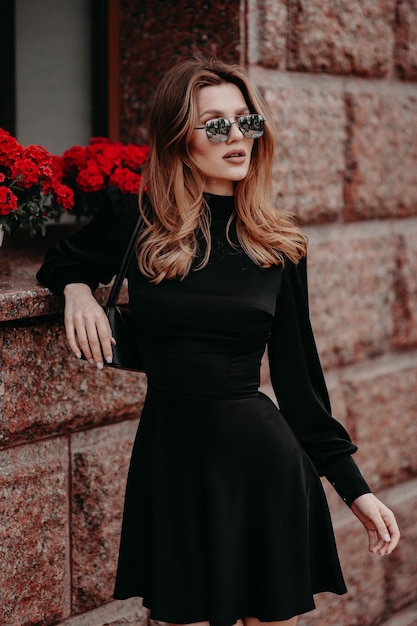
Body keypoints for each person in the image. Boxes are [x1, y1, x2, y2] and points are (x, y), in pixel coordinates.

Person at [37, 57, 400, 626]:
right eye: (216, 124)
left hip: (263, 470)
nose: (237, 137)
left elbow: (299, 382)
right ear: (181, 139)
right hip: (172, 461)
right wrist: (79, 293)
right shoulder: (142, 221)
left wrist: (356, 491)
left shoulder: (280, 245)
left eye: (245, 121)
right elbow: (61, 260)